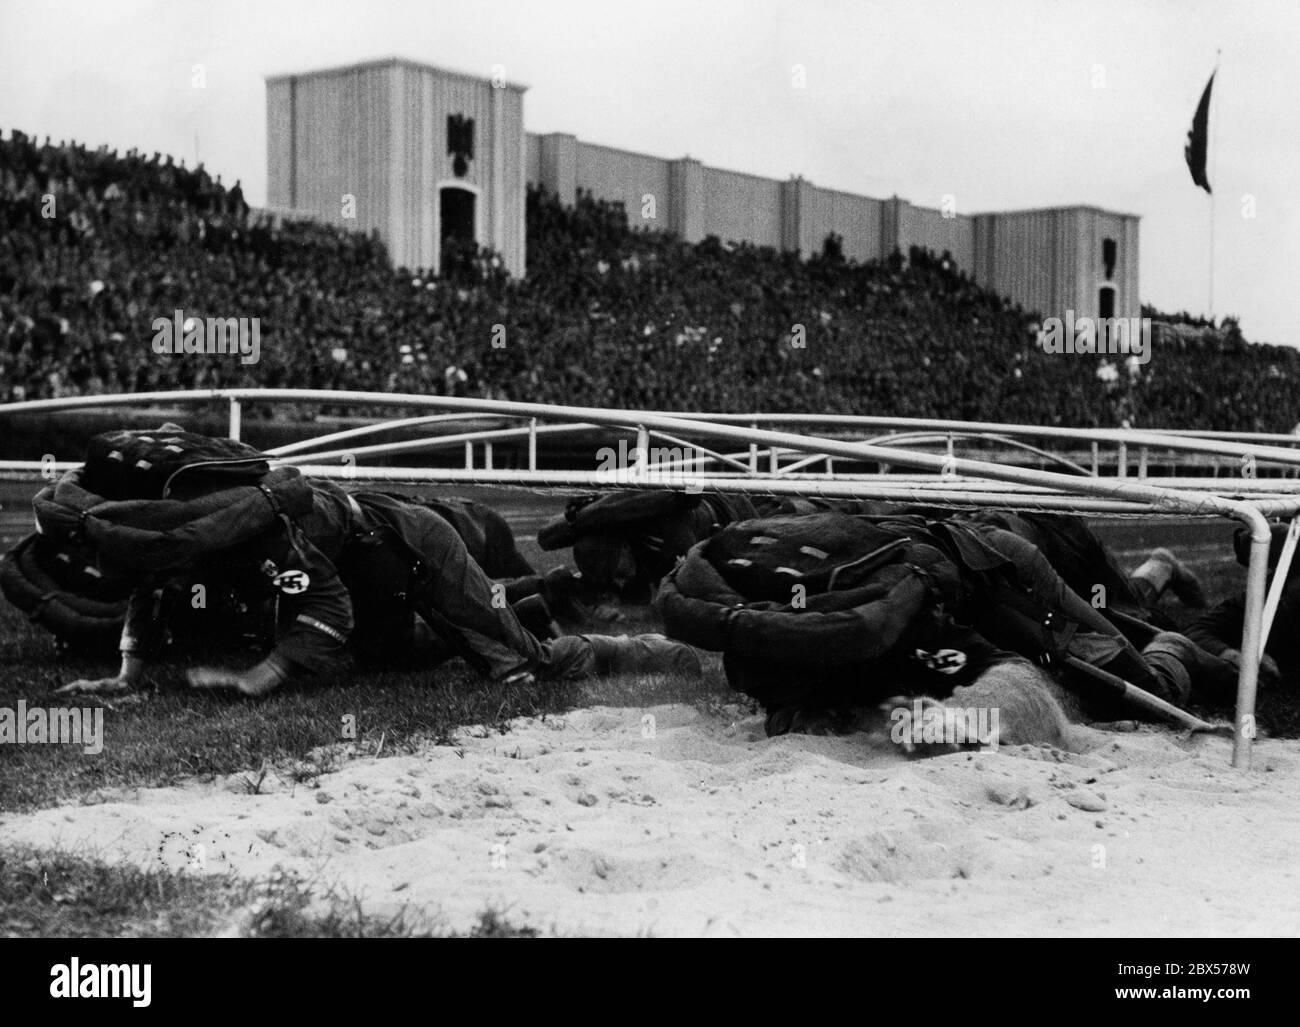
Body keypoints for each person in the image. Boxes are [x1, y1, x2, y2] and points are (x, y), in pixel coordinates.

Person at [42, 428, 699, 698]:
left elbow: (329, 607)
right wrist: (128, 674)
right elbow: (151, 582)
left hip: (413, 551)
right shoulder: (194, 527)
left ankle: (649, 649)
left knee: (524, 665)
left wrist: (260, 674)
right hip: (371, 576)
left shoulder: (270, 526)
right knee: (397, 655)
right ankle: (521, 600)